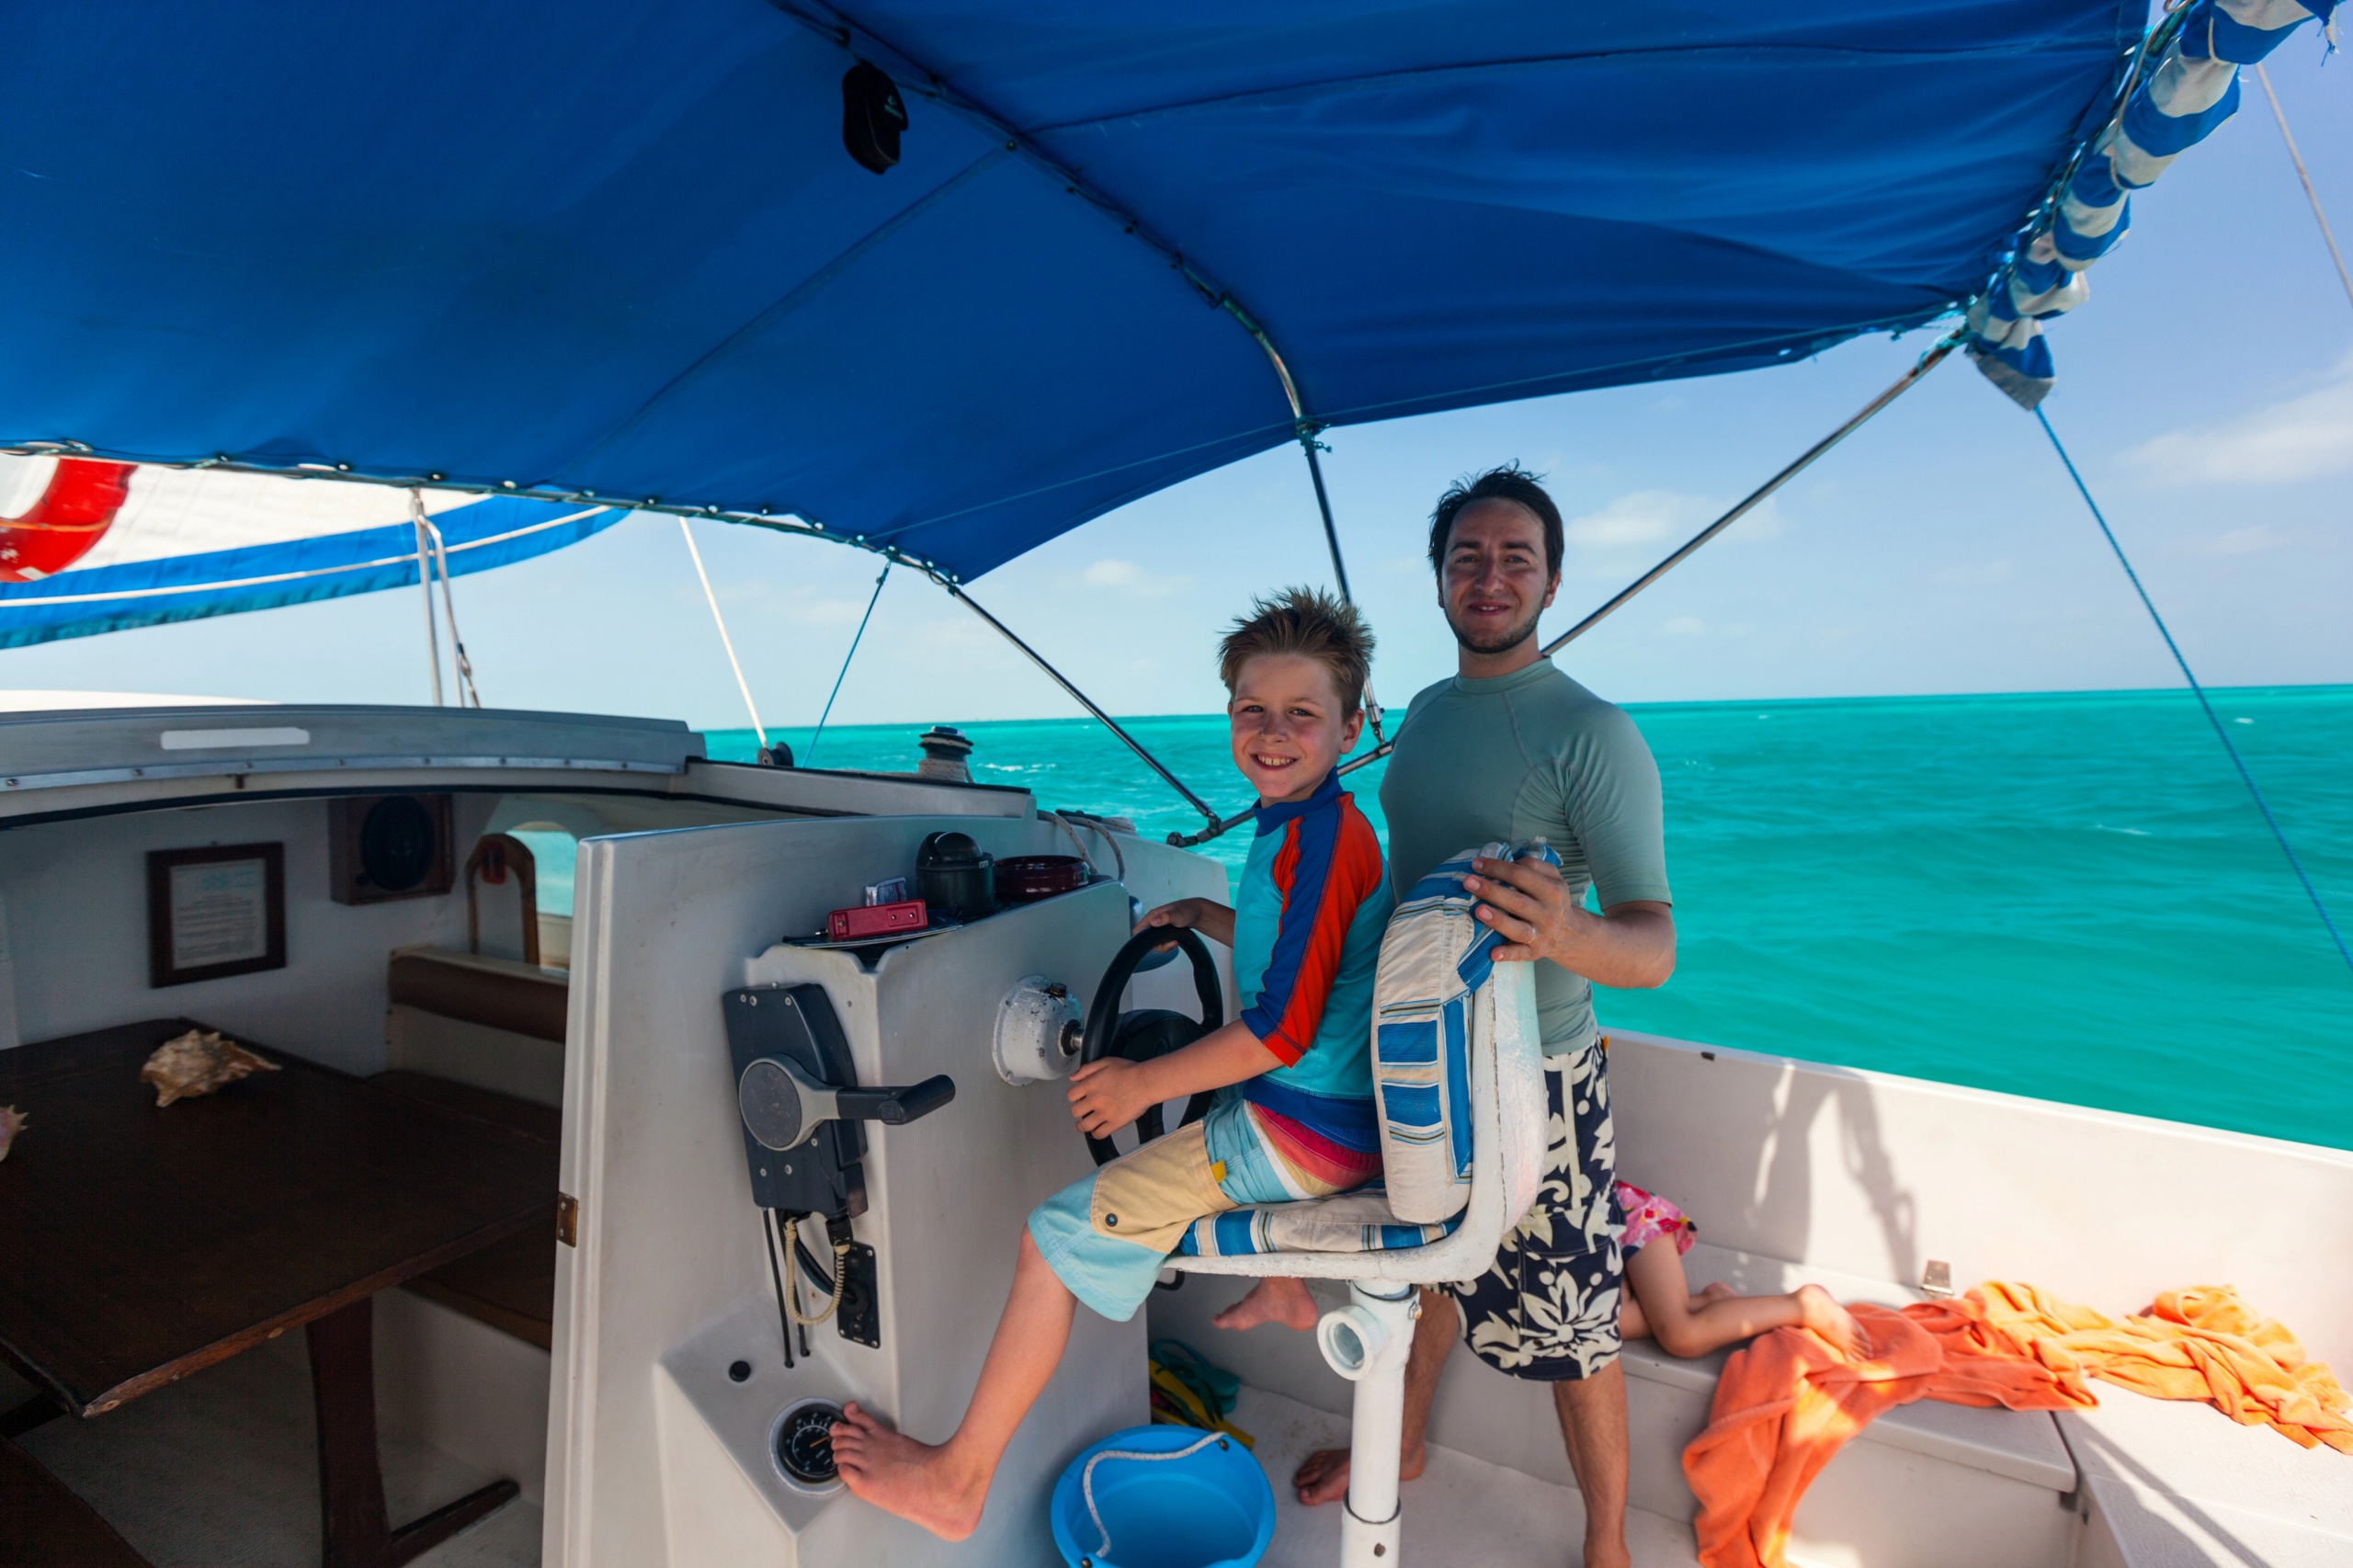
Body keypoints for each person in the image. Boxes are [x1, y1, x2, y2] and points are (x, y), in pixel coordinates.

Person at [830, 586, 1395, 1540]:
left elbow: (1278, 1034)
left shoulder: (1322, 839)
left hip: (1299, 1133)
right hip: (1326, 1114)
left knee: (1051, 1235)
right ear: (1229, 715)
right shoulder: (1312, 824)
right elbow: (1308, 957)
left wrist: (1141, 1083)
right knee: (1197, 1119)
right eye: (1252, 709)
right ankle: (1286, 1283)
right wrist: (1206, 917)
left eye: (1301, 713)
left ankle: (957, 1483)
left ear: (1349, 728)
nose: (1272, 732)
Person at [1282, 464, 1676, 1568]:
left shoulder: (1593, 733)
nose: (1489, 576)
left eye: (1515, 557)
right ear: (1438, 578)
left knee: (1575, 1321)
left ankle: (1607, 1542)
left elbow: (1651, 943)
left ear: (1552, 580)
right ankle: (1400, 1444)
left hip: (1539, 1073)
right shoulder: (1421, 713)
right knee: (1423, 1265)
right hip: (1418, 1056)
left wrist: (1563, 929)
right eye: (1467, 556)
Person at [1613, 1179, 1863, 1359]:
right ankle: (1710, 1301)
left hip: (1628, 1216)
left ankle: (1803, 1305)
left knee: (1681, 1337)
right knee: (1602, 1326)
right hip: (1601, 1242)